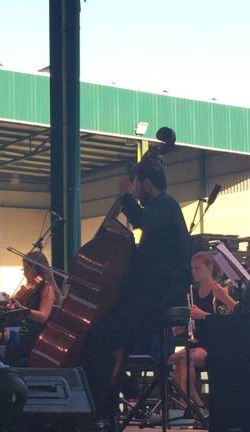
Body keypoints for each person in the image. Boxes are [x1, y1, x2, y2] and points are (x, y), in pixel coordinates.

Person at [82, 154, 192, 426]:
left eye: (137, 184)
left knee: (100, 336)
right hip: (149, 295)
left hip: (159, 296)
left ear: (145, 183)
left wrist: (126, 196)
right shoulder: (160, 209)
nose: (135, 190)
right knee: (110, 339)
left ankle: (99, 412)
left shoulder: (165, 205)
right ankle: (104, 410)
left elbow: (142, 220)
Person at [169, 251, 236, 412]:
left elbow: (225, 323)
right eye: (192, 268)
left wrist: (202, 315)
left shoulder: (219, 291)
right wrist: (183, 327)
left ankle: (187, 406)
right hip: (198, 341)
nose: (194, 272)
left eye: (198, 268)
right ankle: (197, 405)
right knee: (173, 360)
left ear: (210, 267)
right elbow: (193, 321)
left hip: (214, 343)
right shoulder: (193, 292)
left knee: (185, 359)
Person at [0, 250, 59, 365]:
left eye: (27, 269)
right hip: (25, 336)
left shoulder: (47, 288)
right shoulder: (31, 288)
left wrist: (22, 309)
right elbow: (15, 308)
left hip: (35, 341)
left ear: (37, 269)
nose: (24, 274)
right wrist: (8, 303)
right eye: (24, 269)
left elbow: (43, 316)